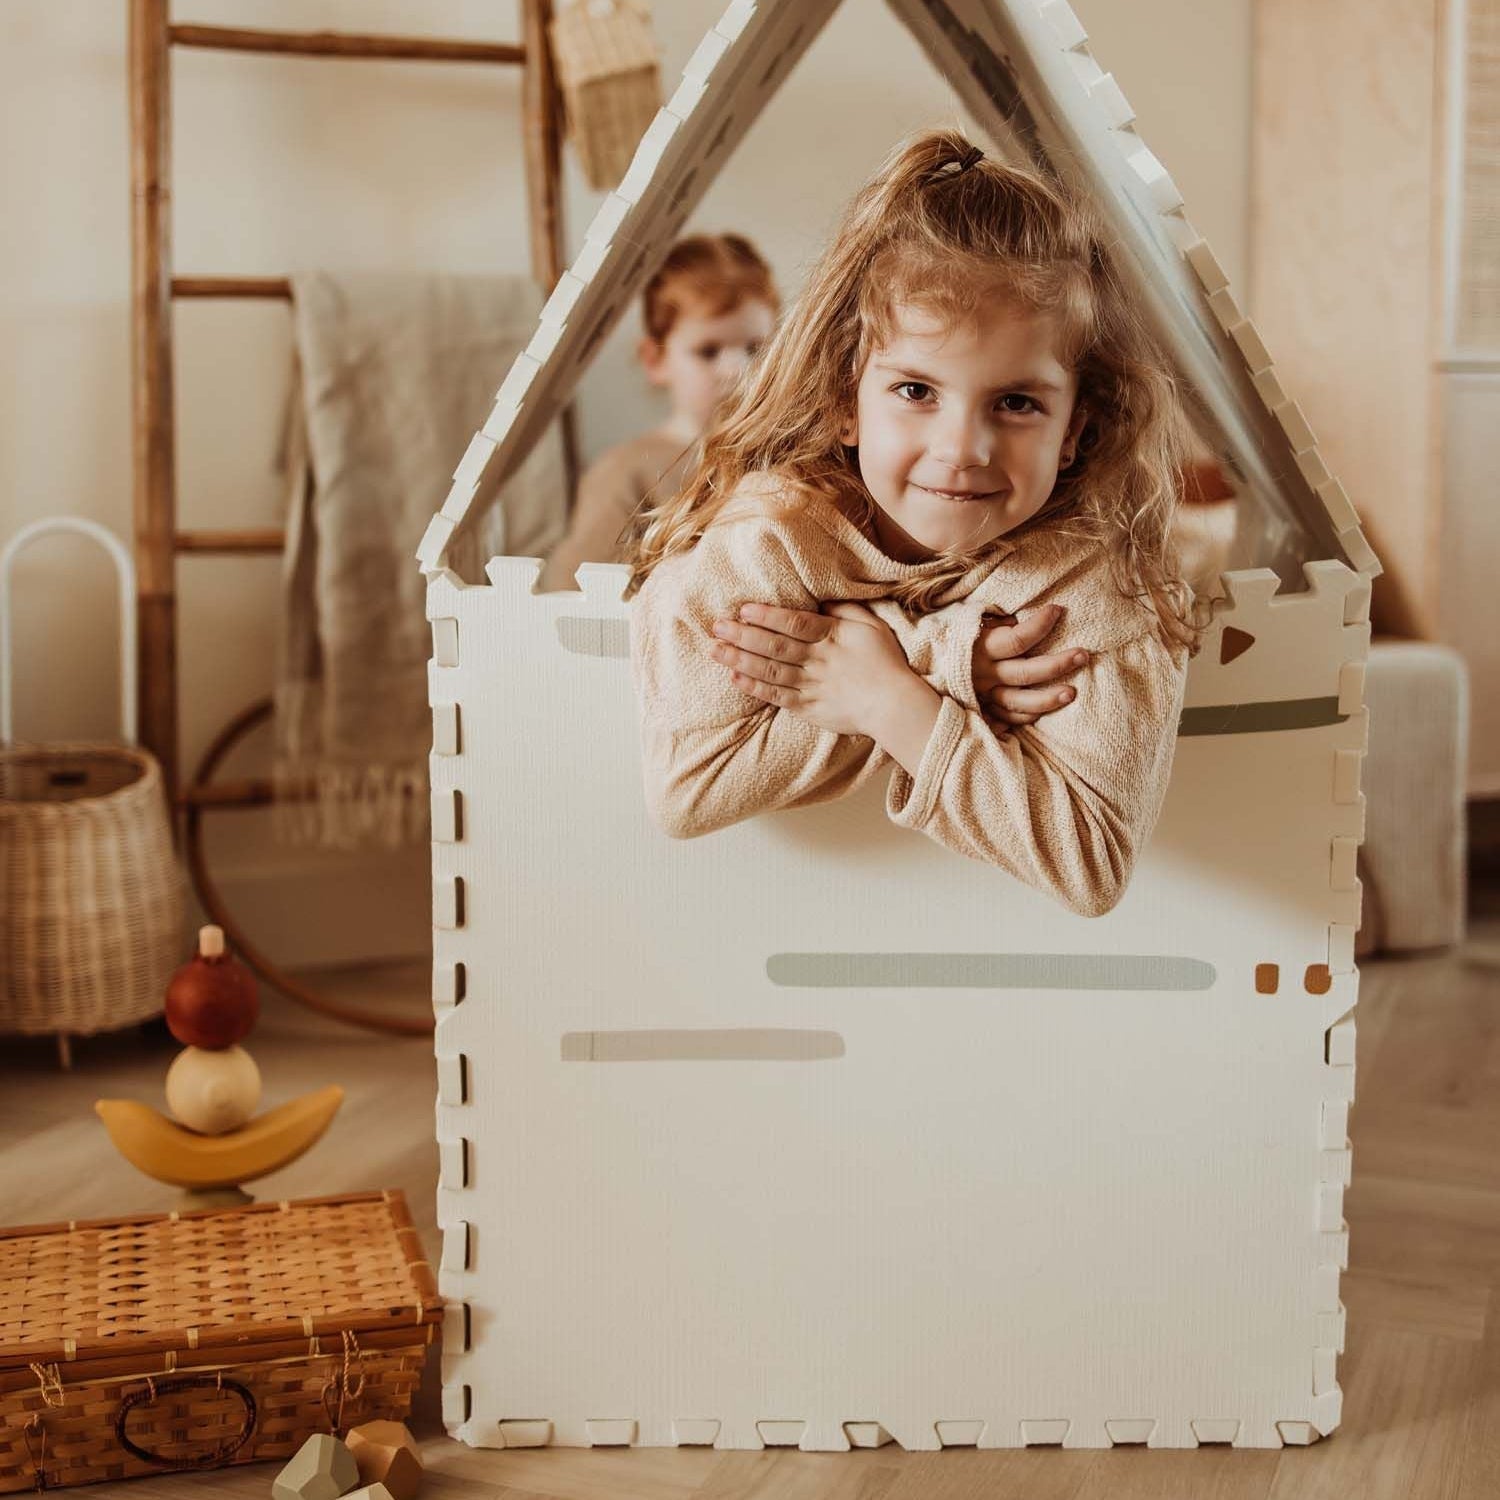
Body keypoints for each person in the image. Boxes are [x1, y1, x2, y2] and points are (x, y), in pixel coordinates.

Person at [626, 130, 1200, 919]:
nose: (962, 449)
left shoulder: (1094, 583)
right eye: (916, 391)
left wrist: (891, 699)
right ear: (845, 400)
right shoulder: (769, 541)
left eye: (1017, 403)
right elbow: (688, 789)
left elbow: (1091, 863)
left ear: (1073, 429)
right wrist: (945, 665)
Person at [538, 233, 779, 592]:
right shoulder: (625, 472)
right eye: (708, 351)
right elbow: (570, 592)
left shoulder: (782, 456)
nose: (737, 370)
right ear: (656, 360)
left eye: (755, 349)